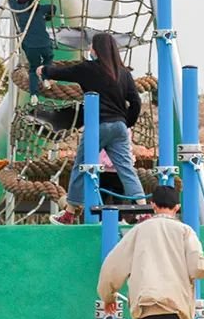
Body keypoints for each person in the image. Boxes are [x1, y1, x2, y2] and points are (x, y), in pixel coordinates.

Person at [44, 33, 145, 225]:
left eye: (91, 46)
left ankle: (70, 213)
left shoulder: (88, 69)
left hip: (98, 125)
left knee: (81, 166)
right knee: (126, 169)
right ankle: (143, 208)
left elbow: (63, 73)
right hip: (119, 127)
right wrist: (126, 122)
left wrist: (44, 71)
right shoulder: (124, 73)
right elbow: (136, 101)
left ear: (96, 50)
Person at [97, 185, 204, 319]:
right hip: (175, 308)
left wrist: (108, 296)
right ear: (177, 207)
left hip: (146, 308)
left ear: (153, 205)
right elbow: (197, 267)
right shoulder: (185, 231)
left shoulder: (138, 231)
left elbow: (113, 266)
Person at [9, 0, 57, 103]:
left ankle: (33, 95)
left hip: (30, 46)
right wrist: (49, 17)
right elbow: (53, 7)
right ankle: (46, 79)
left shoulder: (19, 10)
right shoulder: (38, 8)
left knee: (33, 69)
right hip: (44, 43)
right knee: (48, 59)